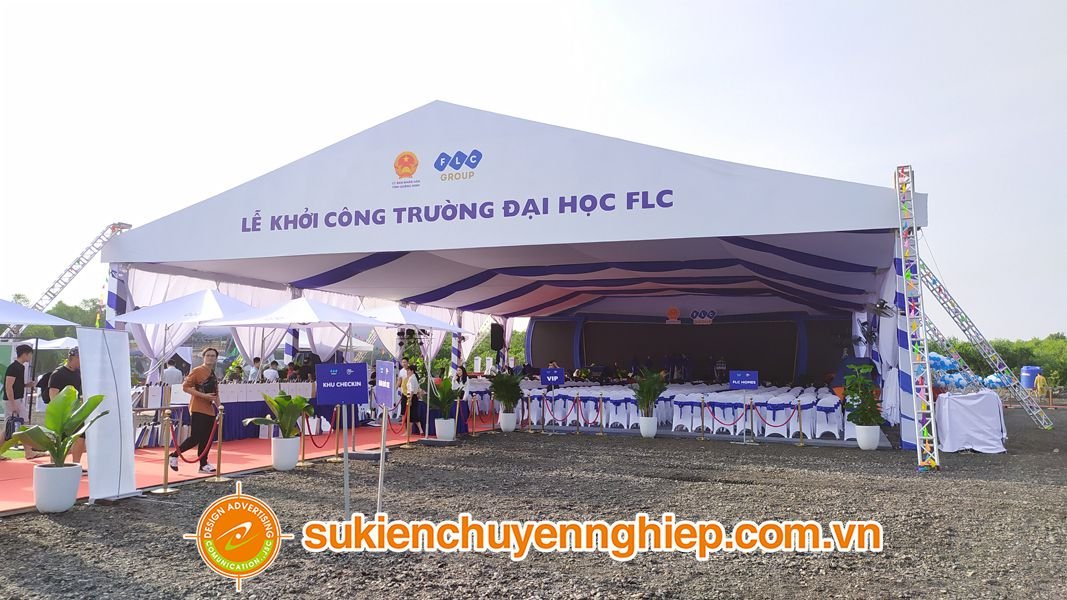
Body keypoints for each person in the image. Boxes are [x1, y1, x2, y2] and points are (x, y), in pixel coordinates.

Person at [169, 347, 221, 473]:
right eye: (208, 355)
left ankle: (203, 464)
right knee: (196, 437)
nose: (210, 358)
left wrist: (220, 408)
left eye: (213, 356)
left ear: (216, 358)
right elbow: (185, 387)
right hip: (198, 408)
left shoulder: (213, 373)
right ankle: (174, 455)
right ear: (203, 357)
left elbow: (215, 394)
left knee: (206, 439)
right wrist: (203, 396)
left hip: (209, 409)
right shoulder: (197, 371)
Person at [2, 344, 45, 459]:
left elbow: (15, 385)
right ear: (25, 354)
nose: (31, 357)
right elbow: (8, 386)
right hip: (13, 400)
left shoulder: (20, 367)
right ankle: (28, 452)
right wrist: (13, 404)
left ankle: (28, 451)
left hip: (16, 400)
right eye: (30, 354)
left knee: (19, 426)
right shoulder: (14, 367)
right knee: (13, 427)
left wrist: (27, 385)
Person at [49, 348, 86, 468]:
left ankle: (76, 464)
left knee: (80, 437)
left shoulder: (79, 373)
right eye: (80, 359)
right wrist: (58, 413)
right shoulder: (58, 374)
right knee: (59, 440)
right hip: (62, 413)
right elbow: (53, 395)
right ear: (74, 358)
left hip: (76, 411)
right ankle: (55, 465)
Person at [402, 364, 425, 435]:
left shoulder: (411, 378)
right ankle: (420, 430)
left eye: (408, 370)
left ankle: (408, 431)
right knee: (414, 415)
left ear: (412, 371)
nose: (407, 372)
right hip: (414, 397)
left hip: (411, 396)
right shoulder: (414, 377)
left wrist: (410, 400)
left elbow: (411, 390)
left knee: (410, 415)